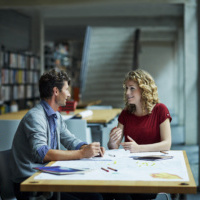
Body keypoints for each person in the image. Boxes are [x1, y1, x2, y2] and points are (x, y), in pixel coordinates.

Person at [10, 69, 105, 200]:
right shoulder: (35, 116)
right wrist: (82, 154)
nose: (69, 94)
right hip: (31, 183)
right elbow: (42, 153)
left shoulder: (56, 116)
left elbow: (70, 140)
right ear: (56, 91)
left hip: (47, 176)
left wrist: (88, 148)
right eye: (66, 89)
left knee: (96, 196)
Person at [107, 69, 172, 200]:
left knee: (125, 193)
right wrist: (112, 142)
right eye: (126, 88)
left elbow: (167, 144)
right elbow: (114, 146)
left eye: (132, 88)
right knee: (113, 190)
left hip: (151, 170)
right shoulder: (126, 113)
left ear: (144, 89)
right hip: (128, 169)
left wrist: (139, 148)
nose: (127, 93)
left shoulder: (160, 109)